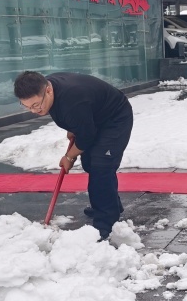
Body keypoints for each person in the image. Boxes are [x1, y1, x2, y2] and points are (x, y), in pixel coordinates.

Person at [14, 71, 134, 240]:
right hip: (93, 118)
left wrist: (69, 157)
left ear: (48, 90)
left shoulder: (72, 98)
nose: (34, 111)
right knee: (89, 163)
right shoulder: (49, 91)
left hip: (115, 119)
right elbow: (79, 116)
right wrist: (75, 126)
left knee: (102, 166)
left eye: (36, 105)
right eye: (27, 107)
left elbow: (86, 136)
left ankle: (105, 222)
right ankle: (109, 204)